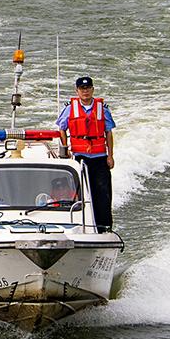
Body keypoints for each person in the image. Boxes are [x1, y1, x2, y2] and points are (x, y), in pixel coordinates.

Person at [56, 75, 116, 231]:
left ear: (93, 89)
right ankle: (81, 225)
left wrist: (110, 155)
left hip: (99, 157)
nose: (85, 91)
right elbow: (61, 129)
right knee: (80, 193)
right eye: (82, 89)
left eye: (88, 88)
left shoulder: (102, 109)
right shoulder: (69, 109)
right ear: (77, 91)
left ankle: (104, 227)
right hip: (79, 157)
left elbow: (108, 132)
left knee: (103, 193)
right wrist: (65, 149)